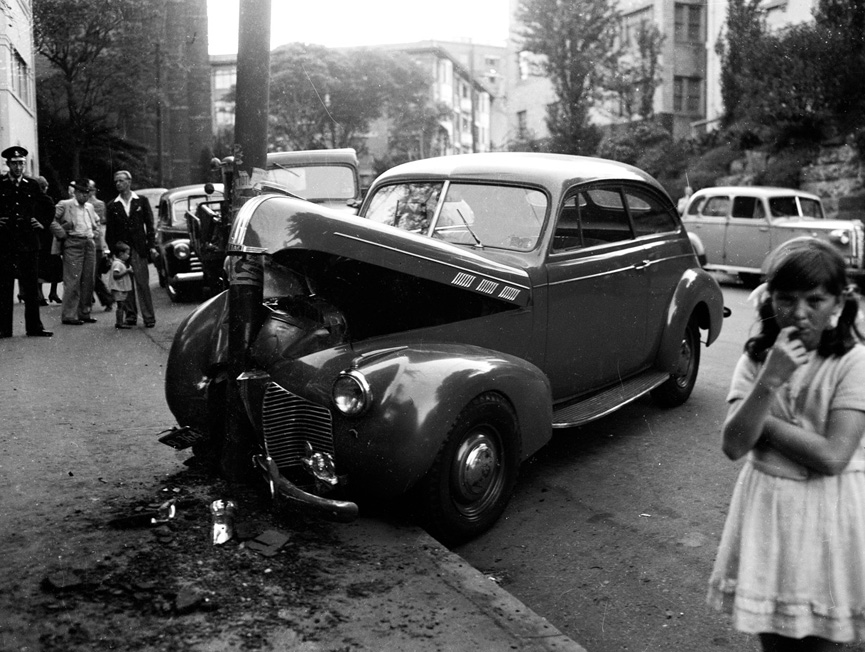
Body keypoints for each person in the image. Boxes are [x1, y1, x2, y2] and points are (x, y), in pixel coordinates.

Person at [707, 237, 865, 651]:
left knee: (822, 636)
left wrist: (766, 424)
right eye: (786, 299)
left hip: (831, 514)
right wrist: (771, 380)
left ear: (838, 304)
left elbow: (833, 456)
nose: (798, 314)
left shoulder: (853, 362)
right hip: (769, 513)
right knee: (774, 636)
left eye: (815, 301)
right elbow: (734, 445)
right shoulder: (758, 361)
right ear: (769, 301)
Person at [0, 146, 53, 337]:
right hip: (5, 243)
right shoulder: (1, 183)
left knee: (31, 287)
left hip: (28, 243)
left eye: (21, 163)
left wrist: (42, 223)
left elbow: (48, 205)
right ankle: (3, 328)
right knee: (4, 287)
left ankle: (34, 327)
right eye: (14, 163)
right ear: (8, 164)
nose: (18, 167)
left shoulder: (32, 185)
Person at [105, 170, 157, 328]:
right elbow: (110, 231)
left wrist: (151, 246)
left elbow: (149, 225)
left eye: (121, 180)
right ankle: (130, 316)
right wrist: (115, 251)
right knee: (125, 285)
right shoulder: (113, 205)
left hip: (138, 249)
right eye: (116, 181)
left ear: (129, 182)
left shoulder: (140, 201)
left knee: (142, 283)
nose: (118, 184)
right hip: (122, 251)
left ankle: (149, 317)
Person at [53, 178, 105, 325]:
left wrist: (95, 232)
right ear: (75, 192)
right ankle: (69, 315)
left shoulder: (89, 207)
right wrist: (61, 233)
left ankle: (84, 312)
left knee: (89, 279)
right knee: (73, 280)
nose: (85, 195)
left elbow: (97, 221)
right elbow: (51, 219)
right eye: (82, 192)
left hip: (89, 243)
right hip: (73, 243)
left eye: (87, 192)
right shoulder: (65, 205)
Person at [34, 176, 62, 305]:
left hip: (37, 234)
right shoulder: (47, 199)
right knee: (53, 263)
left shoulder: (32, 199)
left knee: (40, 263)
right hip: (47, 235)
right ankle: (52, 292)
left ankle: (40, 294)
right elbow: (51, 215)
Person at [87, 178, 113, 312]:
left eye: (90, 189)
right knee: (91, 274)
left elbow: (101, 225)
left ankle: (107, 299)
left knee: (93, 274)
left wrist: (104, 247)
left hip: (96, 243)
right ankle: (93, 300)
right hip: (89, 242)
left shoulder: (97, 204)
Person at [108, 241, 134, 329]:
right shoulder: (118, 264)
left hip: (120, 288)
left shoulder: (119, 263)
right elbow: (116, 275)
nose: (128, 256)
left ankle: (119, 322)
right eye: (127, 254)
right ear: (121, 254)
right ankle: (119, 323)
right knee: (121, 306)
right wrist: (127, 271)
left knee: (121, 305)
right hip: (118, 288)